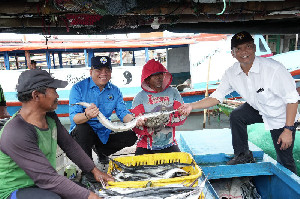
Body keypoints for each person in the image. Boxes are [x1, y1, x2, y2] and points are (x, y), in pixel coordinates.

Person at [178, 31, 299, 173]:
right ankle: (243, 155)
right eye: (239, 49)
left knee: (284, 158)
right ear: (233, 53)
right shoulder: (231, 73)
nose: (244, 52)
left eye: (247, 47)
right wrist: (191, 105)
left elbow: (292, 99)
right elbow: (216, 97)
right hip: (259, 109)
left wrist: (288, 130)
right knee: (237, 116)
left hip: (281, 116)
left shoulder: (273, 69)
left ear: (254, 48)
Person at [0, 69, 114, 199]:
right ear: (36, 95)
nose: (57, 96)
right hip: (14, 189)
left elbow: (69, 145)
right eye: (54, 90)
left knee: (81, 189)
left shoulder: (49, 117)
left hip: (40, 184)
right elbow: (46, 178)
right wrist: (90, 196)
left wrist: (95, 171)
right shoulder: (16, 132)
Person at [69, 56, 137, 181]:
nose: (103, 73)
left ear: (111, 72)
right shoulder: (78, 88)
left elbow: (123, 113)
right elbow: (74, 119)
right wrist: (87, 115)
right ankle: (88, 171)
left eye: (107, 70)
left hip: (103, 132)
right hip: (83, 134)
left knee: (132, 135)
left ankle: (102, 152)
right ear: (91, 71)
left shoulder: (115, 90)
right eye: (99, 70)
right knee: (82, 129)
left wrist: (135, 121)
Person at [131, 59, 187, 155]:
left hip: (170, 144)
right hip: (145, 145)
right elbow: (135, 123)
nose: (159, 77)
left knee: (180, 168)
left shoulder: (173, 92)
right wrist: (142, 124)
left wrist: (166, 119)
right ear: (147, 78)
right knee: (137, 168)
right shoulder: (139, 97)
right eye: (154, 75)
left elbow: (182, 116)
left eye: (160, 74)